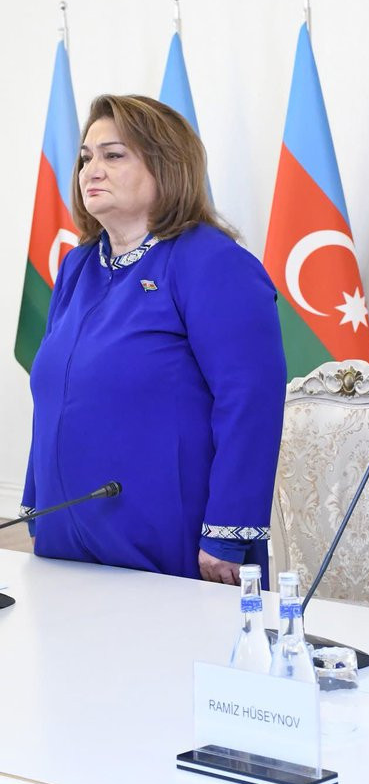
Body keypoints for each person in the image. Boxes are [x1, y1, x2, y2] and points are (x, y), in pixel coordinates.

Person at [22, 94, 286, 585]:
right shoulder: (77, 266)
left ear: (166, 167)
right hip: (66, 538)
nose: (91, 171)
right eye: (86, 158)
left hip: (172, 543)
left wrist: (227, 532)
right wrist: (37, 506)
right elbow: (51, 394)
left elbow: (250, 401)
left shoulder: (212, 262)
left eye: (113, 155)